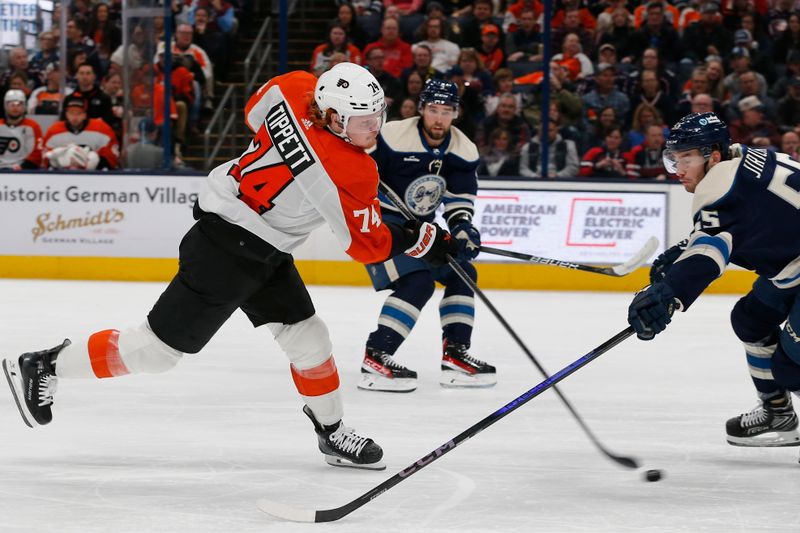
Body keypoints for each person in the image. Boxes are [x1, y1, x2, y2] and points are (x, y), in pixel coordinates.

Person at [3, 63, 459, 470]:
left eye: (377, 115)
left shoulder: (295, 87)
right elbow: (369, 246)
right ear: (335, 116)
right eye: (364, 120)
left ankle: (332, 432)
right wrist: (425, 240)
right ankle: (45, 364)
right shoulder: (351, 169)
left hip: (259, 242)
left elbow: (254, 111)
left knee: (310, 338)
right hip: (225, 249)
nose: (374, 127)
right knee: (155, 352)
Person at [628, 111, 800, 452]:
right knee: (750, 319)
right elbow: (746, 221)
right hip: (793, 267)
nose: (678, 170)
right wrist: (683, 249)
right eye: (674, 159)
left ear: (714, 156)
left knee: (791, 368)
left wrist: (671, 292)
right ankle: (777, 413)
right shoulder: (745, 160)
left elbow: (711, 248)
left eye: (687, 158)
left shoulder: (717, 185)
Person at [359, 78, 496, 392]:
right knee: (417, 283)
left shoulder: (463, 148)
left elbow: (459, 199)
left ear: (456, 113)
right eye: (433, 109)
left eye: (446, 111)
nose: (439, 118)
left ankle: (456, 354)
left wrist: (462, 227)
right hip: (380, 229)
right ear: (421, 109)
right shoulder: (392, 136)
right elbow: (357, 172)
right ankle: (376, 355)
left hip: (421, 231)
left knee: (464, 271)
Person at [42, 94, 119, 170]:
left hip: (94, 177)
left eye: (79, 113)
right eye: (71, 113)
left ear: (85, 115)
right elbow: (45, 159)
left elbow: (112, 159)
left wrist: (94, 162)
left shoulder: (102, 129)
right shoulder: (54, 131)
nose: (75, 117)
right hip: (63, 177)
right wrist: (58, 162)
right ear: (66, 114)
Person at [0, 90, 43, 169]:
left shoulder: (33, 126)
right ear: (5, 106)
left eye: (19, 104)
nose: (15, 107)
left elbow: (37, 154)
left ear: (24, 106)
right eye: (11, 104)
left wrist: (22, 167)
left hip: (24, 171)